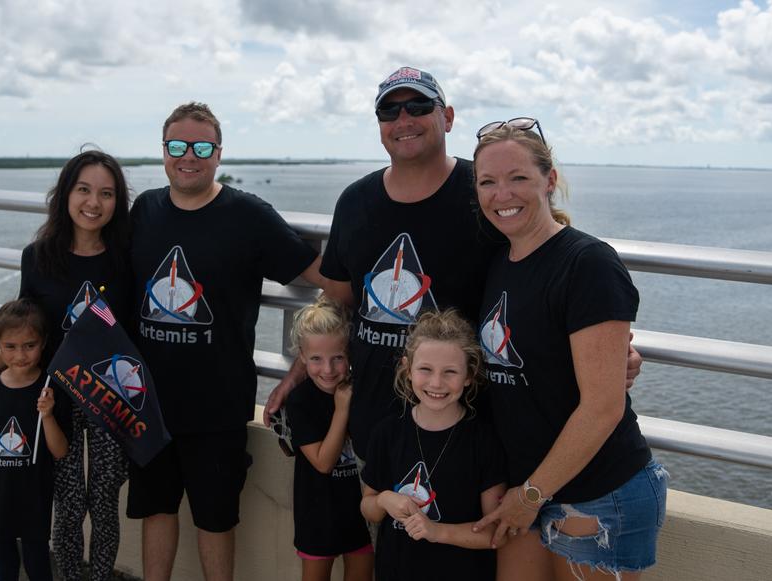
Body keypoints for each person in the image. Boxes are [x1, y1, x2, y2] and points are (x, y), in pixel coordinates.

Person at [265, 66, 642, 460]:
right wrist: (300, 373)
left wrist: (608, 355)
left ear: (447, 117)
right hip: (373, 429)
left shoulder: (484, 193)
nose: (404, 119)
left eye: (418, 105)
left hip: (466, 434)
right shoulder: (354, 201)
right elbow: (339, 302)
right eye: (389, 112)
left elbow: (546, 272)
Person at [126, 101, 331, 581]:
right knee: (155, 509)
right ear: (163, 152)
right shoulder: (145, 210)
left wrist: (305, 361)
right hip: (146, 402)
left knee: (216, 518)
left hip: (216, 405)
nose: (188, 156)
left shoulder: (248, 216)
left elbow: (326, 281)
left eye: (201, 146)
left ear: (219, 154)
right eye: (177, 145)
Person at [469, 120, 668, 580]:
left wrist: (531, 495)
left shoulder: (587, 264)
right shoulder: (501, 262)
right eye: (488, 182)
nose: (503, 194)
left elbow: (602, 407)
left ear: (549, 180)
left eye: (518, 178)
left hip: (598, 491)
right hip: (530, 487)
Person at [0, 149, 134, 581]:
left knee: (104, 506)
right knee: (68, 506)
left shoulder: (127, 257)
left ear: (118, 202)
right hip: (55, 399)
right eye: (83, 190)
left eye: (106, 193)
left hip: (112, 400)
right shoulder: (37, 256)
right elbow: (24, 330)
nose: (93, 203)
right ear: (66, 194)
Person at [360, 309, 506, 581]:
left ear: (469, 375)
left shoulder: (484, 441)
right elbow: (368, 507)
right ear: (407, 369)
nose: (436, 383)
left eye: (450, 372)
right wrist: (383, 499)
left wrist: (436, 531)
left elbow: (493, 532)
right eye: (425, 369)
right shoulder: (386, 433)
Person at [0, 299, 69, 581]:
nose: (20, 355)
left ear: (43, 343)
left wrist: (47, 416)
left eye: (29, 345)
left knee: (38, 565)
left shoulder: (49, 388)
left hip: (33, 495)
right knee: (4, 567)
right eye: (10, 346)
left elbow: (59, 451)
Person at [283, 297, 373, 581]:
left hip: (359, 512)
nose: (328, 369)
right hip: (317, 515)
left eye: (338, 357)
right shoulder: (300, 402)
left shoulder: (360, 392)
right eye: (316, 359)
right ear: (301, 356)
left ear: (350, 354)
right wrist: (343, 408)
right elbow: (322, 462)